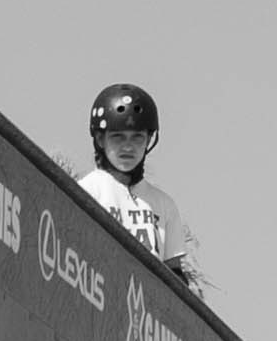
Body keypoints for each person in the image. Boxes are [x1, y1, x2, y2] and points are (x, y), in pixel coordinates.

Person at [78, 83, 199, 286]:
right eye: (118, 137)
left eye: (137, 137)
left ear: (149, 140)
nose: (128, 146)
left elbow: (175, 275)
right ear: (100, 139)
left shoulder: (164, 204)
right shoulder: (87, 191)